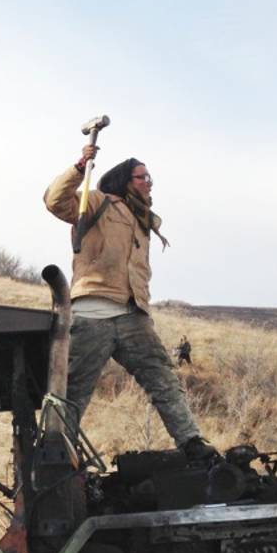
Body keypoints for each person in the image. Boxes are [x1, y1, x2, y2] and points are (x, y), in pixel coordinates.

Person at [44, 142, 215, 460]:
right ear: (125, 180)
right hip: (91, 312)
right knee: (73, 394)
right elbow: (55, 201)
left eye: (150, 176)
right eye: (142, 176)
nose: (149, 181)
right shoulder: (98, 203)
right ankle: (56, 462)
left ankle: (192, 443)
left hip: (133, 315)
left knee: (164, 379)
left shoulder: (143, 220)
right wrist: (80, 167)